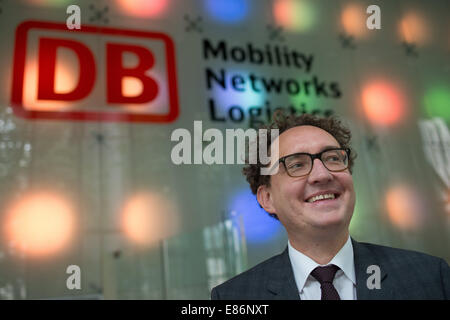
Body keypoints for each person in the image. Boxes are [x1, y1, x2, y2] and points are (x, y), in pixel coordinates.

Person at [211, 111, 450, 300]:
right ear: (267, 199)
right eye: (296, 165)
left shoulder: (430, 277)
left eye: (333, 158)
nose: (322, 175)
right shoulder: (234, 297)